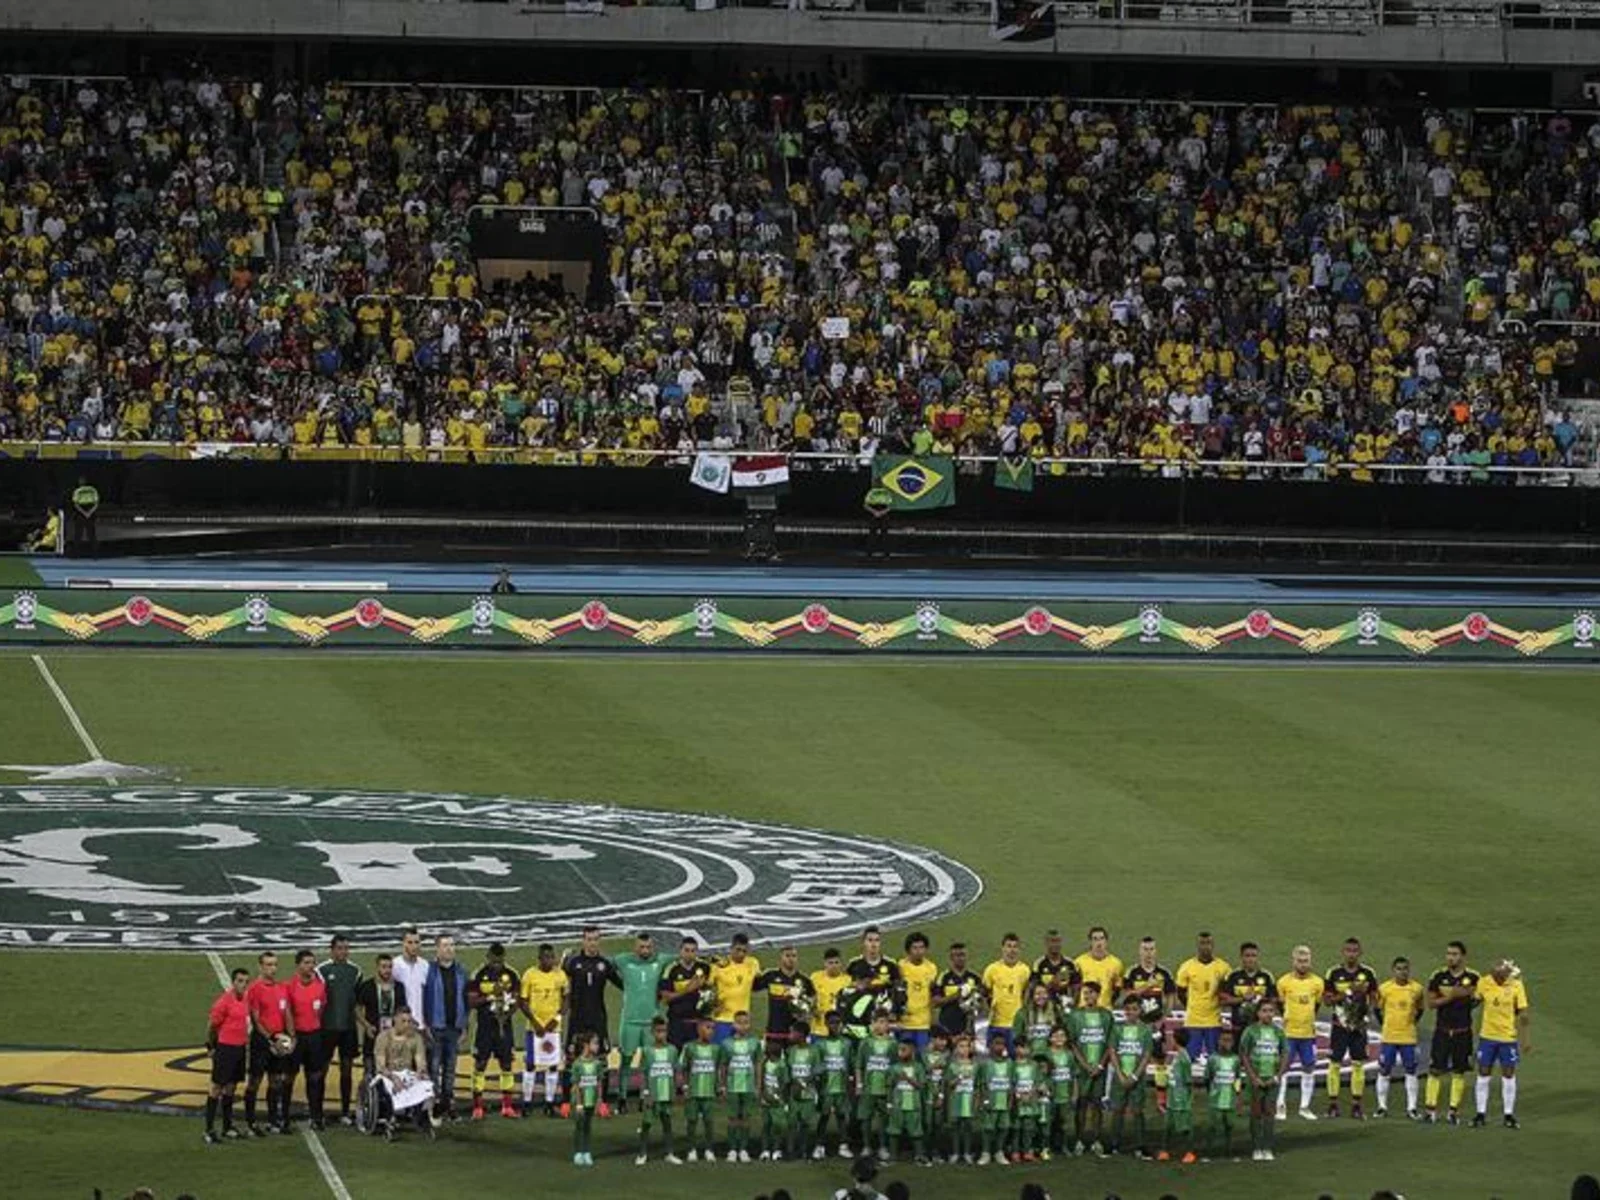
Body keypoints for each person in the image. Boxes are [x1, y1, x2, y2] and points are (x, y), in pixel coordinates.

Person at [1424, 940, 1480, 1125]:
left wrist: (1465, 996)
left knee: (1459, 1071)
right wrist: (1452, 996)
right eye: (1448, 954)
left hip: (1463, 1032)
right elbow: (1431, 1003)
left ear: (1463, 956)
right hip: (1442, 1031)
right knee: (1435, 1070)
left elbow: (1477, 998)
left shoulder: (1473, 977)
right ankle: (1430, 1110)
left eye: (1455, 954)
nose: (1451, 957)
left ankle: (1453, 1111)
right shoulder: (1438, 976)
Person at [1324, 937, 1379, 1119]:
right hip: (1340, 1025)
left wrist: (1367, 1013)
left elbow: (1374, 998)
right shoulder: (1333, 973)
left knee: (1358, 1064)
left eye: (1355, 951)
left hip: (1359, 1027)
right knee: (1334, 1063)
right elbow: (1327, 1000)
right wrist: (1348, 992)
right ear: (1343, 952)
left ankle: (1356, 1105)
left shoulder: (1368, 973)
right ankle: (1333, 1105)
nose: (1351, 954)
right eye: (1348, 950)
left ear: (1360, 952)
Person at [1473, 959, 1530, 1129]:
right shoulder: (1484, 982)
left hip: (1508, 1038)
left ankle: (1508, 1114)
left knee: (1508, 1074)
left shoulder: (1516, 986)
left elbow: (1523, 1013)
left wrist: (1525, 1040)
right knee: (1483, 1073)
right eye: (1495, 975)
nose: (1498, 978)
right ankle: (1480, 1113)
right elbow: (1475, 1001)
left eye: (1502, 976)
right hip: (1487, 1037)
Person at [466, 942, 520, 1120]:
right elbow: (471, 1002)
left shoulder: (511, 974)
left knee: (506, 1065)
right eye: (493, 961)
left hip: (504, 1027)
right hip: (484, 1028)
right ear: (488, 957)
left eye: (500, 961)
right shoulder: (478, 975)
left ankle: (507, 1106)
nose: (497, 964)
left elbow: (517, 1000)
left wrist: (507, 1014)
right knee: (480, 1064)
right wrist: (491, 995)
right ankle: (477, 1108)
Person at [614, 931, 666, 1110]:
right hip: (630, 1021)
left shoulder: (660, 960)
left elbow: (682, 957)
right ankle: (622, 1098)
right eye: (642, 947)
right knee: (626, 1060)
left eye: (649, 947)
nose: (646, 950)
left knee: (648, 1062)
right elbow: (604, 963)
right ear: (635, 947)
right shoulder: (623, 960)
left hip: (650, 1023)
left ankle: (645, 1097)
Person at [243, 950, 293, 1136]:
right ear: (260, 966)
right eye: (268, 965)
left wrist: (291, 1036)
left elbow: (286, 1013)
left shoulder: (281, 988)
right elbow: (256, 1019)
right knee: (254, 1081)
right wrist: (271, 1038)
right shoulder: (255, 988)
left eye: (274, 964)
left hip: (279, 1040)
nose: (272, 968)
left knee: (275, 1081)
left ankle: (273, 1121)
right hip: (262, 1042)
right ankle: (250, 1122)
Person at [1274, 945, 1324, 1122]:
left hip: (1308, 1034)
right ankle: (1280, 1105)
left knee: (1309, 1067)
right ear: (1293, 961)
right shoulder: (1283, 982)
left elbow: (1316, 1005)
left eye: (1306, 961)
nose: (1303, 965)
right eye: (1300, 961)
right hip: (1289, 1033)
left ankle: (1304, 1107)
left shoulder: (1318, 983)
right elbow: (1280, 1005)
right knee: (1283, 1070)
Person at [421, 934, 469, 1119]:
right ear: (437, 949)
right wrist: (426, 1024)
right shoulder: (429, 970)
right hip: (435, 1026)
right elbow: (423, 998)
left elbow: (466, 1000)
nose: (449, 949)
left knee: (450, 1069)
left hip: (454, 1027)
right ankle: (433, 1106)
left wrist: (465, 1025)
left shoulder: (461, 971)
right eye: (445, 945)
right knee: (434, 1068)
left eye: (452, 945)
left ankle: (447, 1103)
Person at [315, 934, 362, 1125]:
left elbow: (357, 1003)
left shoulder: (355, 971)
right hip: (327, 1028)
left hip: (348, 1028)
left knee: (347, 1070)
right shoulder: (321, 971)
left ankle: (345, 1111)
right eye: (340, 948)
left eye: (346, 948)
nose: (343, 951)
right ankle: (317, 1111)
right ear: (332, 949)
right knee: (321, 1070)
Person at [204, 967, 251, 1143]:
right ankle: (209, 1129)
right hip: (225, 1049)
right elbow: (211, 1026)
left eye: (246, 981)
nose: (243, 985)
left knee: (231, 1088)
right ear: (233, 982)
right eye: (240, 981)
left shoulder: (247, 999)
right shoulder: (223, 1002)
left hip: (239, 1048)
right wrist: (210, 1046)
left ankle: (227, 1127)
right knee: (216, 1088)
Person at [1374, 957, 1426, 1119]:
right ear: (1393, 970)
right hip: (1389, 1036)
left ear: (1409, 970)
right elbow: (1377, 1009)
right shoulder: (1384, 989)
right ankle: (1382, 1107)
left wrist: (1410, 1023)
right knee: (1384, 1070)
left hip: (1408, 1037)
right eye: (1399, 969)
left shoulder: (1417, 989)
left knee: (1411, 1071)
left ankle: (1412, 1108)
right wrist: (1386, 1024)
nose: (1402, 972)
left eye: (1405, 968)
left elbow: (1420, 1009)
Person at [520, 943, 568, 1114]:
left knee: (553, 1065)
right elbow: (523, 1001)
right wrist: (534, 1022)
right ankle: (526, 1103)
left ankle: (549, 1103)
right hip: (535, 1029)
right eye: (546, 957)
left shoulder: (560, 975)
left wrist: (557, 1019)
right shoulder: (529, 975)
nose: (550, 960)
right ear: (539, 958)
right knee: (531, 1064)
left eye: (552, 957)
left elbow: (566, 999)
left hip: (553, 1029)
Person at [372, 1007, 433, 1138]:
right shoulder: (383, 1037)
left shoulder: (416, 1038)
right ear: (395, 1020)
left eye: (409, 1021)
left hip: (407, 1073)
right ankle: (390, 1119)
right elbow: (380, 1065)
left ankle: (421, 1118)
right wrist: (393, 1077)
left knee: (426, 1085)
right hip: (387, 1073)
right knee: (389, 1086)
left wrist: (421, 1071)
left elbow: (420, 1059)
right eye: (403, 1021)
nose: (407, 1024)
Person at [1066, 979, 1112, 1154]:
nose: (1088, 996)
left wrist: (1100, 1064)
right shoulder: (1075, 1015)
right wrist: (1085, 1064)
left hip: (1100, 1068)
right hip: (1081, 1068)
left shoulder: (1106, 1016)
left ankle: (1097, 1139)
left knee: (1097, 1104)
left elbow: (1110, 1043)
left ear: (1098, 995)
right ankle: (1079, 1139)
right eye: (1085, 993)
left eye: (1091, 992)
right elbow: (1073, 1043)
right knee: (1081, 1103)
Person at [285, 948, 329, 1130]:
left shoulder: (320, 986)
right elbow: (286, 1013)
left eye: (312, 962)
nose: (311, 966)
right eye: (306, 963)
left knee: (315, 1077)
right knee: (288, 1077)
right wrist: (292, 1035)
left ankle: (316, 1116)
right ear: (298, 965)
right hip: (297, 1037)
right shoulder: (289, 986)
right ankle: (283, 1116)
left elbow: (322, 1009)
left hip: (314, 1036)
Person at [563, 926, 623, 1059]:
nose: (592, 943)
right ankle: (570, 1080)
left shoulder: (604, 964)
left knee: (601, 1055)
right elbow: (559, 983)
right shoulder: (573, 962)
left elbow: (622, 985)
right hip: (577, 1016)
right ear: (583, 941)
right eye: (589, 939)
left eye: (596, 939)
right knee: (572, 1055)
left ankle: (603, 1080)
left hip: (597, 1016)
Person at [1108, 994, 1154, 1159]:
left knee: (1137, 1111)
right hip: (1120, 1076)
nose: (1131, 1012)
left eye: (1134, 1009)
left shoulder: (1145, 1030)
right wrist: (1120, 1074)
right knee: (1117, 1110)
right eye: (1128, 1009)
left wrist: (1135, 1076)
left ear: (1140, 1010)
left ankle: (1140, 1145)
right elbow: (1112, 1051)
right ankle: (1114, 1144)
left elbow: (1146, 1054)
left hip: (1138, 1078)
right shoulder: (1117, 1029)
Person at [1239, 998, 1285, 1162]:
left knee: (1270, 1113)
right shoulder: (1250, 1031)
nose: (1267, 1014)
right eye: (1264, 1010)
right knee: (1256, 1113)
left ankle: (1268, 1147)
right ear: (1258, 1013)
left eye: (1270, 1011)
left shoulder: (1279, 1032)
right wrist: (1253, 1077)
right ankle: (1257, 1147)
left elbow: (1285, 1054)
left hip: (1272, 1079)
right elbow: (1244, 1054)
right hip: (1256, 1079)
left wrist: (1277, 1076)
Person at [1176, 932, 1232, 1062]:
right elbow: (1180, 992)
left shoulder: (1223, 967)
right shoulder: (1186, 967)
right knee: (1190, 1059)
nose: (1205, 947)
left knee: (1215, 1059)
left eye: (1208, 943)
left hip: (1214, 1021)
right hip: (1193, 1021)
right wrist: (1191, 1005)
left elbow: (1226, 992)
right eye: (1202, 943)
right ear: (1197, 945)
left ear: (1213, 945)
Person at [635, 1016, 682, 1164]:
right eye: (658, 1031)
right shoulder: (647, 1051)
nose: (661, 1034)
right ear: (652, 1032)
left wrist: (675, 1090)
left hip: (666, 1093)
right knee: (647, 1123)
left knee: (667, 1123)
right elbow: (643, 1073)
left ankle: (669, 1153)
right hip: (652, 1094)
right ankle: (642, 1153)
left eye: (664, 1031)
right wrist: (645, 1093)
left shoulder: (672, 1050)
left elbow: (675, 1071)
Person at [754, 944, 815, 1049]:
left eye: (794, 956)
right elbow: (753, 987)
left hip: (796, 1032)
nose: (791, 959)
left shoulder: (804, 980)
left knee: (795, 1063)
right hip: (774, 1030)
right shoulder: (771, 976)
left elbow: (813, 1000)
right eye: (787, 956)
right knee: (772, 1062)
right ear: (781, 958)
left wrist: (806, 1011)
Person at [720, 1009, 762, 1161]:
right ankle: (732, 1149)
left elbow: (758, 1065)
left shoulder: (754, 1042)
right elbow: (723, 1065)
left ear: (749, 1025)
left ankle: (743, 1149)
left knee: (746, 1118)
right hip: (732, 1086)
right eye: (739, 1023)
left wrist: (758, 1086)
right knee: (732, 1118)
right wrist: (722, 1085)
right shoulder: (726, 1043)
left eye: (746, 1023)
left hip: (748, 1086)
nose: (743, 1026)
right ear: (734, 1024)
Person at [855, 1010, 898, 1161]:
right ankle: (866, 1146)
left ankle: (882, 1146)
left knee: (884, 1119)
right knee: (865, 1118)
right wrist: (859, 1084)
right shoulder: (866, 1042)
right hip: (868, 1087)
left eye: (884, 1022)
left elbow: (895, 1067)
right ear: (872, 1024)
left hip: (885, 1089)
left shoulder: (893, 1044)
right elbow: (859, 1065)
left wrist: (892, 1086)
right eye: (878, 1022)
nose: (881, 1025)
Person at [1220, 942, 1277, 1050]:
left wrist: (1259, 1000)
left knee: (1258, 1057)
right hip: (1238, 1026)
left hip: (1260, 1027)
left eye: (1253, 955)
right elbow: (1223, 1001)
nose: (1251, 959)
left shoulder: (1266, 976)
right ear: (1241, 957)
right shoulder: (1233, 976)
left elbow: (1273, 1000)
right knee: (1238, 1056)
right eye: (1247, 956)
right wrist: (1243, 999)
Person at [982, 933, 1031, 1056]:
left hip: (1016, 1025)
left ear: (1019, 950)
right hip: (996, 1023)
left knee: (1016, 1059)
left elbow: (1027, 993)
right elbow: (984, 993)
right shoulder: (992, 969)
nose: (1012, 950)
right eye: (1008, 946)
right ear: (1002, 948)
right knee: (995, 1059)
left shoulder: (1025, 970)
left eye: (1015, 947)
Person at [679, 1016, 720, 1161]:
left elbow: (717, 1069)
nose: (711, 1031)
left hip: (709, 1091)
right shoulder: (689, 1047)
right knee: (691, 1121)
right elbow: (683, 1068)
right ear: (699, 1029)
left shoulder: (716, 1049)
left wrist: (719, 1086)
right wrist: (684, 1086)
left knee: (709, 1122)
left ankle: (709, 1149)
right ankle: (691, 1149)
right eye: (708, 1027)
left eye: (713, 1029)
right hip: (693, 1091)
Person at [355, 953, 402, 1078]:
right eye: (384, 967)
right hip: (372, 1035)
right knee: (370, 1074)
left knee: (392, 1074)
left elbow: (402, 1012)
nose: (387, 970)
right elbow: (357, 1009)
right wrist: (366, 1025)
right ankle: (369, 1096)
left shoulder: (399, 987)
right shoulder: (367, 986)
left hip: (393, 1038)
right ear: (377, 967)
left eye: (390, 967)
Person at [660, 936, 711, 1048]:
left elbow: (711, 987)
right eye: (686, 950)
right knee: (676, 1058)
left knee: (697, 1058)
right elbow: (665, 997)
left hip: (697, 1022)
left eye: (693, 951)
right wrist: (687, 990)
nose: (689, 954)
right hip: (677, 1023)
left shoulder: (705, 967)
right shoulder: (671, 969)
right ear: (680, 951)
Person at [709, 933, 761, 1044]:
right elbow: (706, 988)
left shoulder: (753, 963)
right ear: (731, 948)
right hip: (722, 1019)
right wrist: (713, 1004)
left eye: (744, 951)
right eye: (738, 950)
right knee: (721, 1054)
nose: (741, 954)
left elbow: (759, 980)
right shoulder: (719, 966)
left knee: (740, 1055)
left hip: (743, 1022)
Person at [816, 1010, 855, 1158]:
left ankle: (843, 1146)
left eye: (837, 1023)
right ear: (826, 1024)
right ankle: (819, 1146)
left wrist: (852, 1081)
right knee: (824, 1116)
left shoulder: (847, 1043)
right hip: (826, 1087)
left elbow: (851, 1063)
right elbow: (817, 1065)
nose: (835, 1026)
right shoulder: (820, 1044)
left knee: (841, 1116)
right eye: (832, 1022)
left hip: (842, 1087)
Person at [1156, 1029, 1197, 1164]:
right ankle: (1164, 1151)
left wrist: (1188, 1099)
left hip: (1181, 1099)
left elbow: (1188, 1081)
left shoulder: (1184, 1058)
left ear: (1176, 1040)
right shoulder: (1178, 1056)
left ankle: (1190, 1152)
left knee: (1184, 1128)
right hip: (1172, 1098)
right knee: (1167, 1127)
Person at [1203, 1027, 1243, 1161]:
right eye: (1223, 1040)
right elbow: (1207, 1078)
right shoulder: (1212, 1059)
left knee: (1230, 1127)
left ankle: (1230, 1152)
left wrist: (1238, 1095)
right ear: (1218, 1041)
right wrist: (1211, 1094)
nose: (1226, 1043)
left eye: (1229, 1040)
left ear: (1233, 1043)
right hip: (1215, 1100)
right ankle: (1208, 1153)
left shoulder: (1236, 1059)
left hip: (1230, 1099)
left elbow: (1237, 1078)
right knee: (1212, 1127)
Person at [1121, 936, 1177, 1032]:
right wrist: (1148, 986)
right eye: (1145, 949)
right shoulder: (1131, 973)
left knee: (1157, 1046)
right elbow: (1127, 997)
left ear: (1155, 951)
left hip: (1157, 1025)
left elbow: (1171, 999)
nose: (1148, 953)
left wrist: (1161, 1020)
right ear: (1140, 951)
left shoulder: (1165, 973)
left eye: (1151, 949)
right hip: (1136, 1024)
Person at [885, 1038, 927, 1164]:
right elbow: (889, 1087)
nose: (901, 1052)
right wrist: (889, 1103)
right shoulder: (894, 1068)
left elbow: (921, 1086)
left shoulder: (918, 1067)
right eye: (899, 1049)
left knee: (916, 1132)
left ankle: (919, 1156)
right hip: (898, 1104)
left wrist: (908, 1079)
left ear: (912, 1050)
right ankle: (893, 1157)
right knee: (894, 1131)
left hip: (913, 1105)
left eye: (904, 1049)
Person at [977, 1030, 1015, 1164]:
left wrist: (1010, 1100)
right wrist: (983, 1100)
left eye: (1002, 1044)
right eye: (996, 1044)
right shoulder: (985, 1064)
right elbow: (981, 1085)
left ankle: (999, 1151)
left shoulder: (1010, 1063)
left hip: (1004, 1102)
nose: (1000, 1047)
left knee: (1004, 1127)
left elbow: (1011, 1084)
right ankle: (985, 1152)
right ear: (990, 1045)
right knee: (988, 1128)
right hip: (990, 1102)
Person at [934, 943, 983, 1041]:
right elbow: (935, 1002)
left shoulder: (975, 977)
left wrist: (974, 1001)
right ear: (951, 958)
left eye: (963, 955)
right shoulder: (944, 977)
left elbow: (982, 1002)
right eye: (957, 955)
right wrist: (956, 996)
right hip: (948, 1025)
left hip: (969, 1027)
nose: (960, 958)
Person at [896, 933, 938, 1052]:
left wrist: (933, 1017)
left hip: (923, 1022)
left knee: (922, 1057)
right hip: (905, 1022)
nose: (919, 951)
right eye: (915, 948)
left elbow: (932, 993)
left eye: (921, 947)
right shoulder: (900, 966)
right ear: (908, 950)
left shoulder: (932, 968)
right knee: (904, 1055)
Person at [569, 1032, 606, 1167]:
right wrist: (578, 1103)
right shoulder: (577, 1064)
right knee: (579, 1126)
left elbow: (599, 1082)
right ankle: (578, 1152)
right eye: (595, 1043)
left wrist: (599, 1100)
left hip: (591, 1099)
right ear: (586, 1045)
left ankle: (587, 1151)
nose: (597, 1046)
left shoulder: (597, 1064)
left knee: (588, 1126)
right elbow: (576, 1085)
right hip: (580, 1101)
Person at [846, 926, 901, 1012]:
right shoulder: (854, 964)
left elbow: (898, 989)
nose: (873, 944)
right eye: (870, 940)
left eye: (877, 940)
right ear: (863, 942)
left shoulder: (891, 964)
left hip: (884, 1013)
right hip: (861, 1012)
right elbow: (847, 989)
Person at [787, 1023, 821, 1161]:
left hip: (808, 1092)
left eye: (793, 1032)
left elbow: (817, 1070)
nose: (790, 1035)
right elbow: (788, 1071)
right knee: (792, 1123)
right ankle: (790, 1151)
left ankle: (804, 1151)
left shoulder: (813, 1051)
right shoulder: (791, 1051)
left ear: (801, 1035)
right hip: (793, 1093)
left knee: (805, 1123)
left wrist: (805, 1082)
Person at [945, 1033, 979, 1164]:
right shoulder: (952, 1065)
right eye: (961, 1046)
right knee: (955, 1127)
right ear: (956, 1048)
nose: (964, 1049)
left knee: (968, 1127)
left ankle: (967, 1153)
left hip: (969, 1100)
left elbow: (978, 1085)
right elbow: (949, 1084)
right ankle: (955, 1152)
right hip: (956, 1100)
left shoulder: (975, 1065)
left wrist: (977, 1100)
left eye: (966, 1046)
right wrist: (958, 1079)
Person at [1074, 927, 1125, 1011]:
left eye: (1101, 939)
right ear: (1090, 942)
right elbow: (1075, 988)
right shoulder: (1079, 962)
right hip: (1084, 1010)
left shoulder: (1116, 964)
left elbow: (1117, 989)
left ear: (1106, 941)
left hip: (1105, 1010)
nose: (1099, 943)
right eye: (1095, 939)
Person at [1011, 1037, 1045, 1162]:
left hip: (1031, 1101)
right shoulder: (1012, 1065)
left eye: (1025, 1047)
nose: (1022, 1050)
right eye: (1019, 1047)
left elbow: (1038, 1082)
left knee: (1028, 1128)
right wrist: (1018, 1095)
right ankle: (1015, 1151)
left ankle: (1027, 1151)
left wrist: (1031, 1094)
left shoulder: (1034, 1065)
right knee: (1016, 1128)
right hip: (1017, 1102)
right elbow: (1010, 1083)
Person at [759, 1036, 792, 1161]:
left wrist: (781, 1098)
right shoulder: (765, 1064)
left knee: (778, 1126)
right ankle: (765, 1150)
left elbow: (784, 1083)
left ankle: (777, 1150)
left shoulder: (782, 1066)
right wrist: (762, 1096)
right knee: (766, 1125)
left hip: (778, 1101)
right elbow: (762, 1080)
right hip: (766, 1100)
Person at [391, 927, 429, 1030]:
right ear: (404, 943)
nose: (414, 946)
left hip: (421, 1025)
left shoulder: (425, 966)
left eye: (417, 942)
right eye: (410, 942)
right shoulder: (395, 965)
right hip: (400, 1026)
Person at [1031, 929, 1080, 1009]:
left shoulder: (1070, 964)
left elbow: (1077, 988)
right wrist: (1052, 984)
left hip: (1065, 1007)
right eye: (1052, 941)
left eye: (1057, 941)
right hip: (1045, 1008)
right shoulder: (1039, 964)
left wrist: (1072, 1005)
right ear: (1046, 943)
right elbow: (1033, 989)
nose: (1055, 945)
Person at [810, 947, 851, 1038]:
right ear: (825, 964)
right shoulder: (815, 978)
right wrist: (812, 1009)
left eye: (837, 962)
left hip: (840, 1030)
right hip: (819, 1030)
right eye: (830, 963)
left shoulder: (847, 980)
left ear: (841, 964)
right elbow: (809, 998)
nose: (834, 966)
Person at [1013, 981, 1059, 1062]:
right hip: (1030, 1057)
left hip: (1051, 1058)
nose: (1041, 997)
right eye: (1038, 994)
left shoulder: (1055, 1011)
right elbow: (1017, 1039)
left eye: (1044, 993)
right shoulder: (1022, 1013)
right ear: (1031, 996)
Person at [67, 476, 98, 556]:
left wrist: (85, 513)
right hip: (88, 511)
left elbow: (75, 504)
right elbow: (96, 503)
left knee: (79, 534)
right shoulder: (93, 489)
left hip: (81, 511)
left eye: (81, 481)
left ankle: (77, 554)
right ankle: (94, 554)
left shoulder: (78, 491)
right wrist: (89, 512)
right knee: (90, 533)